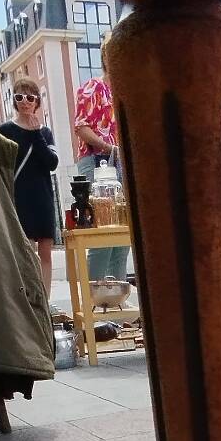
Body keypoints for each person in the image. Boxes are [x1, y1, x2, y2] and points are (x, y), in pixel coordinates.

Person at [0, 77, 60, 295]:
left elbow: (51, 163)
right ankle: (25, 297)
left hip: (41, 197)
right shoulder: (5, 129)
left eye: (30, 97)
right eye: (19, 97)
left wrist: (36, 135)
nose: (25, 101)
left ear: (37, 101)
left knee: (45, 251)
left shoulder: (44, 132)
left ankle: (44, 298)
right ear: (14, 101)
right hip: (18, 197)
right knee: (23, 252)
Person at [74, 40, 128, 281]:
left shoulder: (127, 91)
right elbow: (81, 127)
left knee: (122, 235)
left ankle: (116, 296)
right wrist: (108, 147)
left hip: (121, 164)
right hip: (97, 162)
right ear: (106, 57)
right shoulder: (93, 88)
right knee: (101, 235)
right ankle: (96, 298)